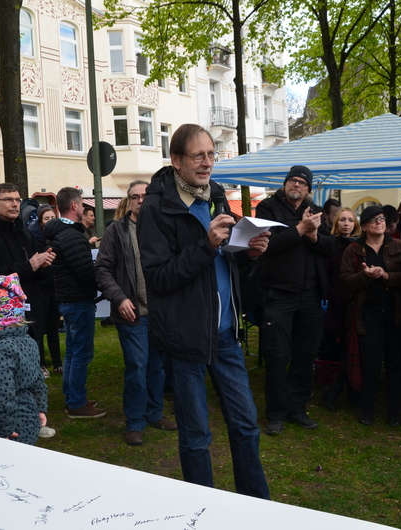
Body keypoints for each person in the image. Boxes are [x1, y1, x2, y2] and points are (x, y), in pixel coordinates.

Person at [138, 123, 270, 499]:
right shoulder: (156, 208)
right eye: (198, 155)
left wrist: (249, 254)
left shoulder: (215, 196)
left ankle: (257, 506)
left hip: (226, 335)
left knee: (246, 425)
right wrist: (207, 245)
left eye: (212, 154)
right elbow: (159, 278)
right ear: (176, 160)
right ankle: (204, 509)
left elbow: (225, 264)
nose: (207, 162)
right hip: (185, 338)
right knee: (196, 436)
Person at [255, 165, 338, 435]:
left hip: (310, 295)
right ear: (285, 184)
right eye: (293, 180)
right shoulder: (268, 208)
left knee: (306, 355)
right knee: (277, 355)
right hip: (278, 294)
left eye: (303, 183)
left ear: (309, 189)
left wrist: (314, 235)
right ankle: (276, 413)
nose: (297, 185)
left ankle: (297, 408)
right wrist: (301, 229)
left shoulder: (315, 211)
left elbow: (330, 248)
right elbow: (270, 247)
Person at [96, 179, 176, 446]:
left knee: (157, 367)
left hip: (160, 313)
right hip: (132, 314)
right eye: (135, 196)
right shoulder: (116, 231)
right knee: (137, 367)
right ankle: (135, 421)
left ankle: (154, 412)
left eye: (145, 196)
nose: (140, 200)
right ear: (128, 201)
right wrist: (119, 298)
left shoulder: (163, 228)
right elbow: (102, 269)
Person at [0, 183, 55, 369]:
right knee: (3, 377)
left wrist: (44, 265)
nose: (14, 204)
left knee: (30, 376)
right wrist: (28, 266)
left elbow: (35, 273)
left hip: (28, 317)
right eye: (8, 199)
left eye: (17, 200)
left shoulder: (25, 233)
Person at [340, 206, 401, 427]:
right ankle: (367, 410)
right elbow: (345, 281)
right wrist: (365, 276)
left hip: (395, 313)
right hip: (367, 314)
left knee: (395, 364)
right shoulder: (354, 249)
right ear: (364, 226)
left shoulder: (399, 245)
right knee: (370, 364)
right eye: (373, 220)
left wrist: (387, 275)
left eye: (381, 219)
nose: (379, 223)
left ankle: (394, 413)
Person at [44, 187, 105, 419]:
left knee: (71, 352)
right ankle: (76, 403)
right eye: (82, 203)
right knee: (81, 353)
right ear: (74, 206)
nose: (83, 207)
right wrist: (105, 284)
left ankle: (73, 397)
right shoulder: (71, 235)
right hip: (78, 301)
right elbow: (85, 271)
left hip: (68, 300)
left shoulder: (60, 233)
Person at [0, 274, 51, 445]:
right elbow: (38, 381)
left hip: (5, 430)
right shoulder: (28, 341)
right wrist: (40, 408)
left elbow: (2, 396)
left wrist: (3, 431)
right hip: (28, 420)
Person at [321, 207, 360, 410]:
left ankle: (344, 390)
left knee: (354, 351)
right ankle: (336, 390)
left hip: (359, 307)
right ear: (336, 223)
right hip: (339, 307)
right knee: (347, 351)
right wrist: (337, 298)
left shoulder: (360, 246)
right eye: (343, 220)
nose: (346, 224)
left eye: (350, 220)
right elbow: (325, 280)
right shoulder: (331, 246)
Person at [29, 204, 62, 376]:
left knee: (53, 327)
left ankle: (58, 363)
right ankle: (41, 363)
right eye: (46, 218)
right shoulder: (33, 238)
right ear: (40, 221)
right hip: (39, 288)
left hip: (54, 287)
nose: (49, 221)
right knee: (39, 329)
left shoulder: (58, 237)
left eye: (52, 218)